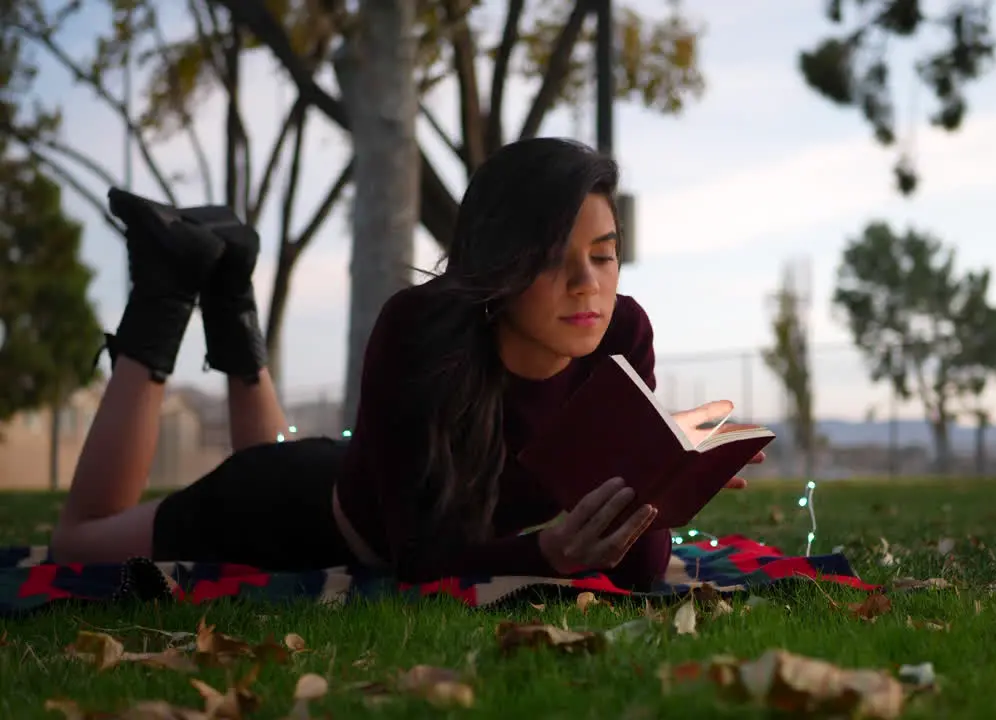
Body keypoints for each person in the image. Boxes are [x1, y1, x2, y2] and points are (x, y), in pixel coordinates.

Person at [49, 137, 760, 590]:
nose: (590, 286)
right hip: (282, 514)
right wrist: (546, 556)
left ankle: (229, 280)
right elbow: (417, 559)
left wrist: (664, 484)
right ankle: (168, 288)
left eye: (603, 255)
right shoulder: (421, 331)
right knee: (72, 542)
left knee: (266, 455)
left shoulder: (622, 332)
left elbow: (639, 570)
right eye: (553, 259)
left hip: (353, 475)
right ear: (499, 264)